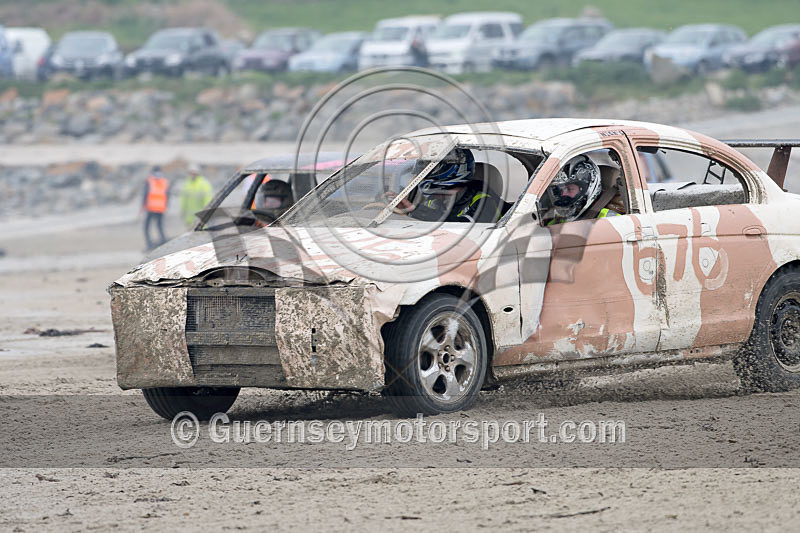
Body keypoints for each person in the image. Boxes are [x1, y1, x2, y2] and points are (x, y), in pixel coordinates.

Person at [393, 148, 503, 224]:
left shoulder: (483, 201)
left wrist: (415, 211)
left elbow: (462, 230)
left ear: (452, 168)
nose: (424, 171)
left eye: (432, 167)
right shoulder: (433, 199)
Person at [540, 153, 619, 226]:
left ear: (587, 188)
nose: (563, 194)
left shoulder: (610, 221)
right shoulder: (555, 222)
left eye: (569, 189)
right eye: (558, 190)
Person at [142, 165, 169, 250]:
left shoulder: (150, 181)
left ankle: (149, 244)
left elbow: (145, 194)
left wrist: (143, 206)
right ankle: (164, 242)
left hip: (151, 208)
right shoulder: (165, 181)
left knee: (147, 227)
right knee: (159, 226)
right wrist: (166, 206)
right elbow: (168, 195)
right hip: (161, 208)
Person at [179, 163, 213, 229]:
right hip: (189, 219)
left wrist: (206, 214)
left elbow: (208, 201)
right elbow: (183, 200)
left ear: (198, 173)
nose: (192, 175)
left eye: (193, 173)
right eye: (190, 173)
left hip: (201, 219)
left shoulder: (204, 184)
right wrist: (182, 211)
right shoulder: (186, 184)